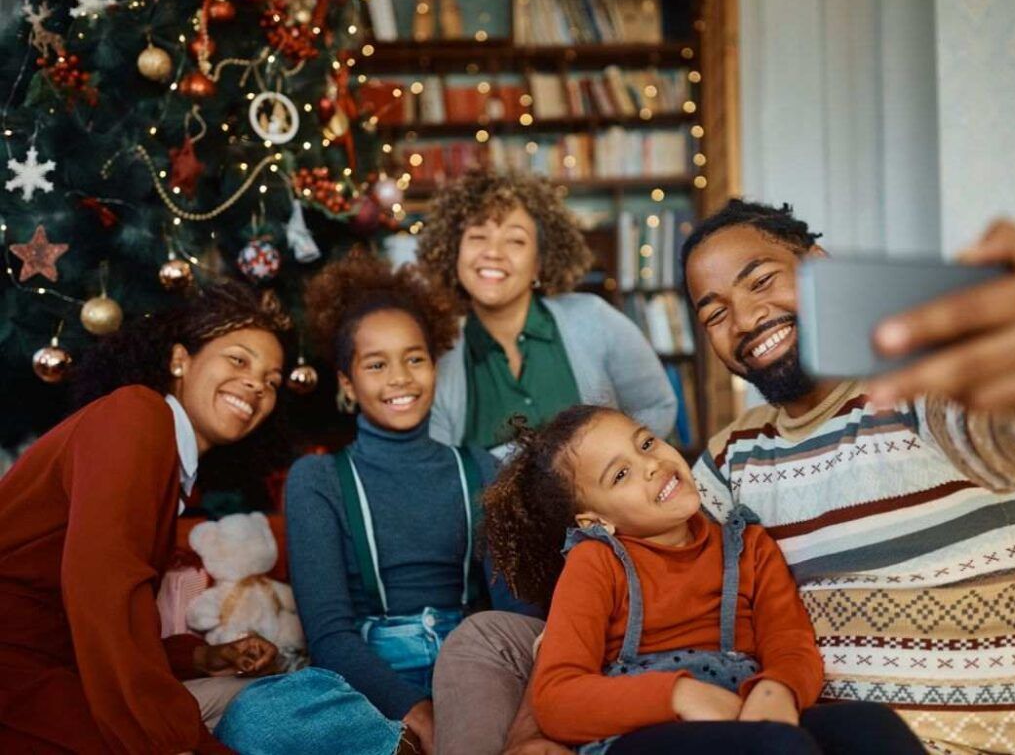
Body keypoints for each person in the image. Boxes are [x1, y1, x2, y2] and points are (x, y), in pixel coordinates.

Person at [430, 199, 1015, 755]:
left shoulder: (925, 397)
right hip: (767, 729)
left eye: (761, 281)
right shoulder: (730, 457)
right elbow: (641, 569)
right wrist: (539, 732)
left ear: (820, 267)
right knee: (495, 634)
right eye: (713, 311)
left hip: (900, 740)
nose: (745, 318)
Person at [482, 405, 925, 755]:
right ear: (595, 519)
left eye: (646, 443)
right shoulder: (596, 563)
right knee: (774, 746)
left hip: (748, 707)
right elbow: (557, 698)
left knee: (871, 726)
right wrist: (681, 697)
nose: (652, 465)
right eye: (620, 475)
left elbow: (789, 641)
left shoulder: (747, 543)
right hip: (641, 733)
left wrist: (778, 690)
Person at [0, 282, 291, 754]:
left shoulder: (170, 465)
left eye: (273, 380)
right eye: (239, 360)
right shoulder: (135, 414)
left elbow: (97, 616)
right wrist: (169, 739)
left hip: (47, 670)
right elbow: (101, 589)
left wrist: (199, 655)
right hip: (18, 679)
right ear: (179, 360)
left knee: (278, 701)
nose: (258, 383)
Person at [281, 250, 505, 755]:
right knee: (260, 719)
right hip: (366, 684)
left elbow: (516, 618)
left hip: (473, 673)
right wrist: (415, 711)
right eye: (376, 364)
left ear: (434, 364)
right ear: (346, 382)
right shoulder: (318, 480)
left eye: (414, 358)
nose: (400, 378)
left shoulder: (484, 470)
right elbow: (330, 637)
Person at [417, 169, 677, 453]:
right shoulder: (440, 354)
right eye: (478, 237)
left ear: (540, 262)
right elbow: (444, 467)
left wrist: (610, 463)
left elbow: (657, 407)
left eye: (515, 240)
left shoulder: (594, 320)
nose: (493, 252)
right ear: (454, 253)